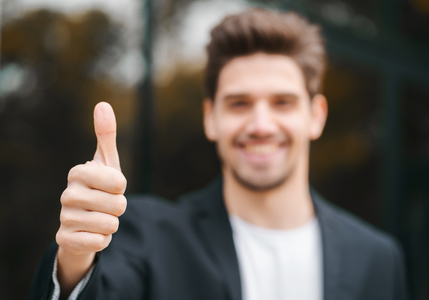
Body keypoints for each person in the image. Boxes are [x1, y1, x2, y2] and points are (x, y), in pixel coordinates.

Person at [30, 8, 408, 300]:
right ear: (211, 118)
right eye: (239, 103)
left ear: (316, 116)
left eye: (283, 102)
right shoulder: (147, 234)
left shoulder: (377, 258)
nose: (261, 124)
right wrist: (76, 256)